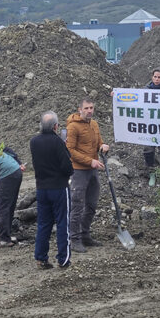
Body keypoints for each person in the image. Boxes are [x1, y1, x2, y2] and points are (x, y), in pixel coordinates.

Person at [30, 111, 74, 269]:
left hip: (42, 188)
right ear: (56, 126)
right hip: (59, 188)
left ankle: (41, 258)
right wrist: (64, 146)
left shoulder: (34, 141)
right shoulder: (57, 142)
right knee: (63, 224)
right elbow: (67, 167)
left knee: (43, 224)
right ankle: (63, 259)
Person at [66, 96, 109, 253]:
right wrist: (89, 161)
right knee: (77, 205)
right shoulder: (73, 127)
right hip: (78, 171)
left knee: (91, 204)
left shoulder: (95, 124)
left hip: (93, 170)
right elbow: (69, 150)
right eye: (86, 108)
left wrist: (103, 146)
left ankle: (85, 234)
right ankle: (74, 239)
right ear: (80, 110)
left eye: (91, 108)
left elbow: (98, 142)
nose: (90, 111)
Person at [0, 141, 26, 248]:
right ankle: (6, 233)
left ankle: (5, 239)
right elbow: (8, 150)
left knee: (3, 207)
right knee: (8, 205)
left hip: (9, 175)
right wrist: (18, 162)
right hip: (15, 171)